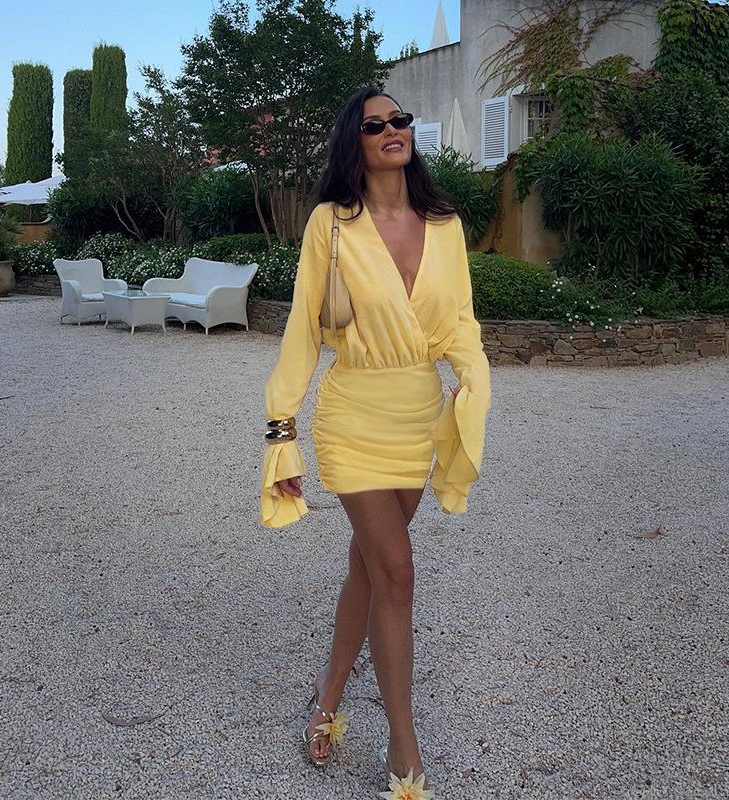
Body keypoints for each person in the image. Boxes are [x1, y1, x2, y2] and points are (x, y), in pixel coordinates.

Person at [259, 86, 492, 797]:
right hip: (353, 415)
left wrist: (474, 377)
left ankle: (326, 700)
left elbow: (460, 321)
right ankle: (403, 739)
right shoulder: (331, 224)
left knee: (368, 569)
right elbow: (303, 327)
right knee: (397, 572)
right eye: (375, 123)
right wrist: (281, 431)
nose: (393, 129)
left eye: (400, 119)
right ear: (353, 141)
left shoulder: (444, 224)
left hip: (416, 416)